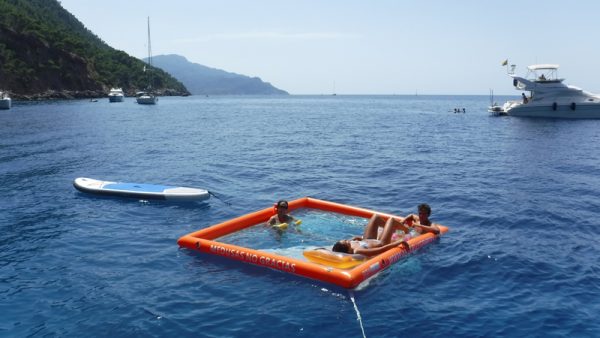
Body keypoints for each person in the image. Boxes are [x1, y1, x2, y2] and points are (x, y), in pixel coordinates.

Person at [332, 214, 409, 257]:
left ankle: (390, 228)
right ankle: (406, 230)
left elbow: (359, 241)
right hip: (381, 242)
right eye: (346, 242)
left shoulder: (351, 244)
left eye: (345, 240)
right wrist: (399, 242)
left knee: (375, 217)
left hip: (368, 239)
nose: (348, 240)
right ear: (348, 250)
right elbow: (381, 249)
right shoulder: (357, 251)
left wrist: (359, 239)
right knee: (391, 220)